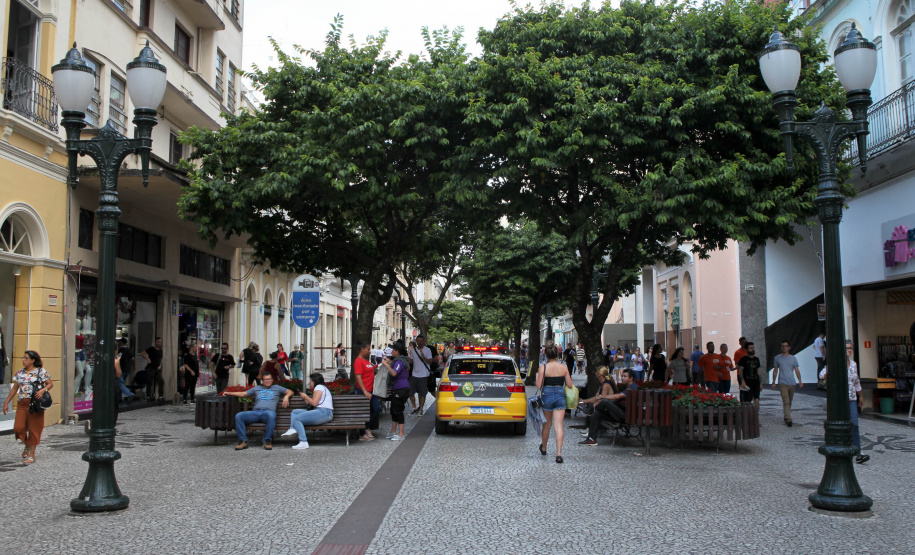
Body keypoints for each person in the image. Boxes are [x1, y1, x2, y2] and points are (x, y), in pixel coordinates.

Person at [819, 344, 868, 464]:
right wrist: (827, 375)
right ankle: (839, 447)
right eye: (847, 348)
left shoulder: (853, 364)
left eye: (851, 348)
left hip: (851, 398)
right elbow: (822, 374)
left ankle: (858, 452)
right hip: (839, 400)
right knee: (839, 425)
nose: (849, 350)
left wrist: (860, 395)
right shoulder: (835, 363)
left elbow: (856, 381)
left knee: (854, 424)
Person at [2, 351, 53, 465]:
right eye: (23, 357)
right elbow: (15, 388)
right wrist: (6, 402)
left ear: (32, 360)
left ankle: (32, 455)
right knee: (18, 428)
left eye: (25, 358)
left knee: (34, 429)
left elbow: (50, 384)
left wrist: (42, 390)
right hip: (22, 403)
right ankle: (27, 444)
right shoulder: (20, 372)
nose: (23, 360)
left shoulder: (40, 371)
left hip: (35, 403)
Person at [223, 372, 292, 450]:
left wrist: (286, 396)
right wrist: (229, 393)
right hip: (256, 413)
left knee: (271, 415)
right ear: (262, 380)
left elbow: (290, 391)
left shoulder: (277, 388)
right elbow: (243, 394)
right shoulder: (257, 388)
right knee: (239, 416)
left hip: (268, 413)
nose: (268, 381)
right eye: (266, 379)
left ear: (272, 380)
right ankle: (242, 441)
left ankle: (267, 441)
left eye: (269, 379)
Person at [537, 341, 574, 463]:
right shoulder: (563, 367)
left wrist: (538, 376)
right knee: (559, 426)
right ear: (557, 354)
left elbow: (538, 386)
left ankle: (544, 448)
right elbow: (569, 384)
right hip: (560, 395)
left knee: (547, 425)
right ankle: (558, 454)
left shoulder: (543, 368)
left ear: (546, 355)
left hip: (547, 395)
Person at [280, 373, 334, 449]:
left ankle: (303, 442)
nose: (309, 383)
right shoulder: (321, 387)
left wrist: (306, 397)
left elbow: (314, 403)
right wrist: (306, 399)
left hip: (324, 412)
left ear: (315, 381)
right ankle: (292, 429)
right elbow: (315, 403)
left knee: (297, 418)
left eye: (311, 381)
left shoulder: (319, 387)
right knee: (295, 412)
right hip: (322, 412)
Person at [578, 367, 620, 446]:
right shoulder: (603, 384)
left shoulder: (606, 384)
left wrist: (586, 402)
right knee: (593, 409)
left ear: (600, 374)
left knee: (593, 409)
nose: (595, 373)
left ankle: (590, 433)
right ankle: (591, 435)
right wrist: (585, 401)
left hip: (609, 410)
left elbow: (601, 399)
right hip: (607, 408)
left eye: (596, 372)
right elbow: (596, 397)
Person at [380, 342, 410, 441]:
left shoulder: (399, 362)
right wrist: (389, 363)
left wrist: (386, 365)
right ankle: (393, 431)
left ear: (397, 351)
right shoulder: (399, 361)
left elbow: (394, 373)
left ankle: (401, 434)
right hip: (398, 388)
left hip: (401, 389)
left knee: (398, 411)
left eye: (393, 350)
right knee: (393, 410)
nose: (392, 352)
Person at [772, 340, 803, 427]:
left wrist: (800, 380)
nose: (784, 348)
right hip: (782, 382)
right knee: (786, 401)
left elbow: (796, 370)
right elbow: (775, 370)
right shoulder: (777, 358)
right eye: (782, 346)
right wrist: (774, 382)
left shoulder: (793, 358)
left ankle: (786, 415)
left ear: (789, 348)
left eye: (786, 346)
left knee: (789, 401)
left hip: (792, 382)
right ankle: (789, 418)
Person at [353, 342, 380, 441]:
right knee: (363, 411)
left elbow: (369, 371)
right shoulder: (358, 361)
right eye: (368, 349)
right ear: (362, 349)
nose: (369, 351)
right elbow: (358, 377)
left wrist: (377, 366)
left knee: (377, 409)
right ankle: (362, 433)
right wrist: (364, 391)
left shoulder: (366, 361)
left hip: (372, 390)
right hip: (364, 391)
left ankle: (367, 427)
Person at [408, 334, 436, 416]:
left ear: (424, 341)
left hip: (424, 375)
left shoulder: (427, 350)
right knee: (410, 392)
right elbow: (410, 361)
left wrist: (423, 357)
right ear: (416, 341)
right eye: (418, 341)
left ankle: (420, 409)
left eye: (421, 341)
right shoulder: (413, 350)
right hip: (414, 374)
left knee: (422, 393)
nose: (420, 342)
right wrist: (408, 354)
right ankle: (414, 407)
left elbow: (430, 361)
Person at [140, 337, 164, 402]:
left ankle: (160, 396)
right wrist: (147, 359)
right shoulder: (151, 349)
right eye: (157, 342)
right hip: (150, 368)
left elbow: (161, 359)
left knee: (161, 381)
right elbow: (142, 353)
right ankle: (148, 396)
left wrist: (160, 365)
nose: (159, 343)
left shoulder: (160, 350)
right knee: (150, 382)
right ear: (155, 342)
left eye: (160, 342)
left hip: (157, 368)